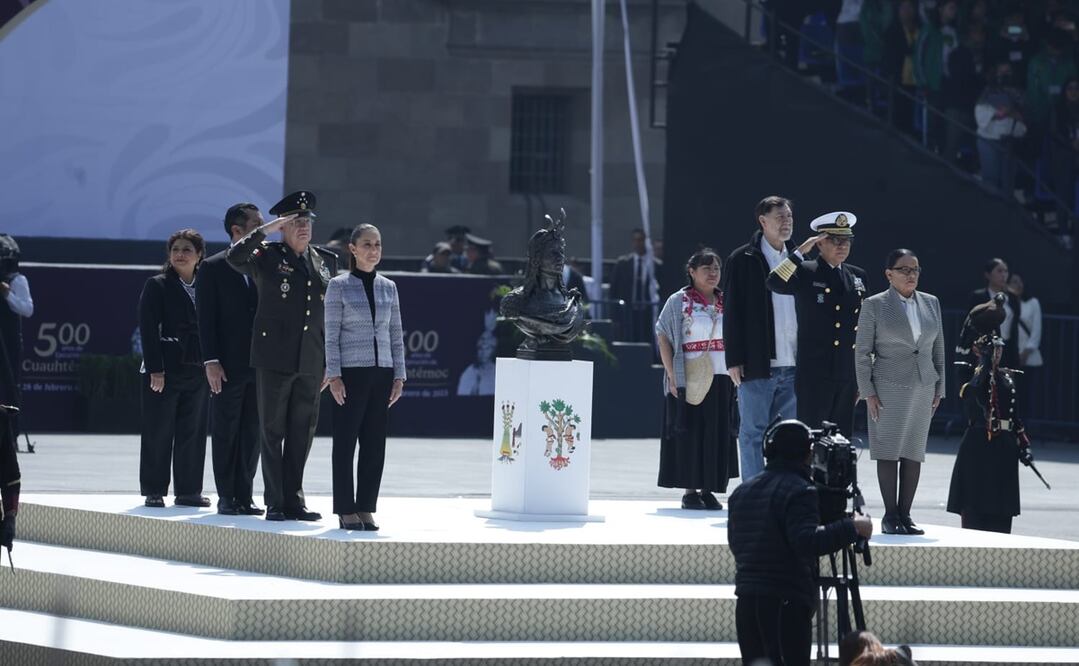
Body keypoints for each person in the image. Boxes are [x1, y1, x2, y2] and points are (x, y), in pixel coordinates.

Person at [227, 191, 338, 522]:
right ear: (283, 226)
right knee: (273, 431)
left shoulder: (325, 261)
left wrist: (330, 361)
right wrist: (266, 230)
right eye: (295, 221)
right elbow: (235, 257)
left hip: (311, 358)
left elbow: (332, 315)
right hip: (274, 356)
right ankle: (275, 501)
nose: (303, 227)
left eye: (307, 221)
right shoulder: (267, 255)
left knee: (302, 432)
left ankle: (294, 500)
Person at [728, 419, 873, 666]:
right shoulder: (800, 490)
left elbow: (737, 543)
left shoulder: (742, 491)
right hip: (785, 603)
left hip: (747, 601)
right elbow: (807, 541)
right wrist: (852, 527)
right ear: (809, 454)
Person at [855, 249, 945, 535]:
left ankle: (906, 515)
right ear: (889, 274)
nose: (910, 275)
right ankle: (890, 515)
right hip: (888, 386)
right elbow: (862, 352)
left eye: (915, 269)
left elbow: (938, 349)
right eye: (904, 269)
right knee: (888, 450)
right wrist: (867, 391)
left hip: (923, 385)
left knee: (913, 451)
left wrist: (940, 387)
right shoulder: (874, 304)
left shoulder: (931, 302)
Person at [325, 224, 406, 532]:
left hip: (382, 372)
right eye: (367, 244)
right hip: (351, 373)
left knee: (374, 445)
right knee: (345, 443)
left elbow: (395, 333)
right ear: (353, 249)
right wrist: (334, 374)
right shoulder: (338, 285)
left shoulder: (389, 287)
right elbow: (331, 334)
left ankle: (365, 507)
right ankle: (345, 509)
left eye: (378, 244)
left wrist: (399, 375)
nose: (374, 250)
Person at [766, 211, 868, 438]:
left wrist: (863, 376)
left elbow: (865, 328)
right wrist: (800, 252)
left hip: (846, 372)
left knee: (841, 439)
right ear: (820, 243)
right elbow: (773, 282)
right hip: (815, 372)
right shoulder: (806, 271)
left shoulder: (857, 276)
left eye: (847, 241)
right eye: (835, 240)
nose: (842, 246)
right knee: (813, 437)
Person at [722, 196, 799, 482]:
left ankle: (784, 490)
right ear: (763, 221)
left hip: (795, 363)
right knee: (753, 433)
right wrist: (734, 358)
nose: (786, 222)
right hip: (758, 363)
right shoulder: (743, 259)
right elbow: (732, 311)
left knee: (790, 436)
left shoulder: (800, 259)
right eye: (780, 217)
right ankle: (754, 491)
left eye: (789, 217)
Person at [655, 248, 738, 510]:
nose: (713, 273)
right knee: (690, 431)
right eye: (706, 268)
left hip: (722, 376)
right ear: (692, 272)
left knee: (717, 432)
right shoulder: (678, 301)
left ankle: (709, 488)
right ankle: (690, 490)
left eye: (717, 268)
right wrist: (672, 375)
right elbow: (663, 335)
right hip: (689, 376)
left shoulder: (727, 301)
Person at [195, 203, 264, 516]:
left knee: (253, 431)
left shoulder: (267, 263)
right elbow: (205, 319)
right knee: (226, 430)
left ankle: (245, 495)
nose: (264, 232)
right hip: (227, 364)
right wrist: (210, 360)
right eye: (257, 226)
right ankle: (227, 495)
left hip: (261, 363)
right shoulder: (213, 267)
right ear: (237, 230)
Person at [947, 298, 1033, 534]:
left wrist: (1024, 444)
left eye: (999, 348)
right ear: (978, 350)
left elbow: (1014, 417)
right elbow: (972, 395)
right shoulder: (970, 374)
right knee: (974, 517)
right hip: (978, 447)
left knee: (1002, 519)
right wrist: (984, 366)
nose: (997, 353)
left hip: (1004, 449)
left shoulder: (1006, 377)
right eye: (992, 349)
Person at [138, 229, 210, 508]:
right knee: (158, 431)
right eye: (175, 249)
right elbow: (148, 329)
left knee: (193, 431)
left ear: (199, 255)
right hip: (165, 369)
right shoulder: (157, 285)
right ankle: (154, 489)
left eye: (187, 249)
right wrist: (155, 368)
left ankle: (188, 491)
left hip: (197, 368)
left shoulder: (207, 285)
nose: (180, 254)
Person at [975, 62, 1028, 197]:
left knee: (1008, 182)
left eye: (1008, 71)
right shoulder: (988, 91)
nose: (1004, 75)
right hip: (989, 139)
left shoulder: (1020, 94)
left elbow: (1024, 117)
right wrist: (999, 114)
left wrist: (1011, 112)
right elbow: (980, 114)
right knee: (991, 180)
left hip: (1011, 140)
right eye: (1001, 71)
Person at [0, 234, 32, 439]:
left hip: (8, 340)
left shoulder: (17, 280)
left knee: (10, 385)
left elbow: (27, 309)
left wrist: (7, 294)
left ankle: (11, 432)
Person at [966, 258, 1021, 370]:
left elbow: (1014, 327)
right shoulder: (978, 296)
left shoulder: (1013, 298)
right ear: (988, 274)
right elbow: (970, 324)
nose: (1003, 275)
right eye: (999, 271)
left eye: (1006, 271)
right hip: (983, 350)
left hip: (1007, 350)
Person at [610, 228, 659, 343]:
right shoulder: (623, 264)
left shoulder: (655, 265)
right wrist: (614, 315)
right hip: (628, 311)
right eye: (635, 240)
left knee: (646, 341)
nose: (638, 243)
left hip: (647, 313)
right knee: (628, 341)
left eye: (641, 240)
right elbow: (614, 290)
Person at [1007, 272, 1043, 418]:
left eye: (1020, 281)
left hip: (1027, 357)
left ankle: (1024, 425)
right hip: (1010, 356)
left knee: (1025, 394)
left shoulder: (1033, 303)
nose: (1018, 285)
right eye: (1014, 282)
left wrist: (1026, 352)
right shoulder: (1006, 303)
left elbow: (1036, 330)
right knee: (1009, 395)